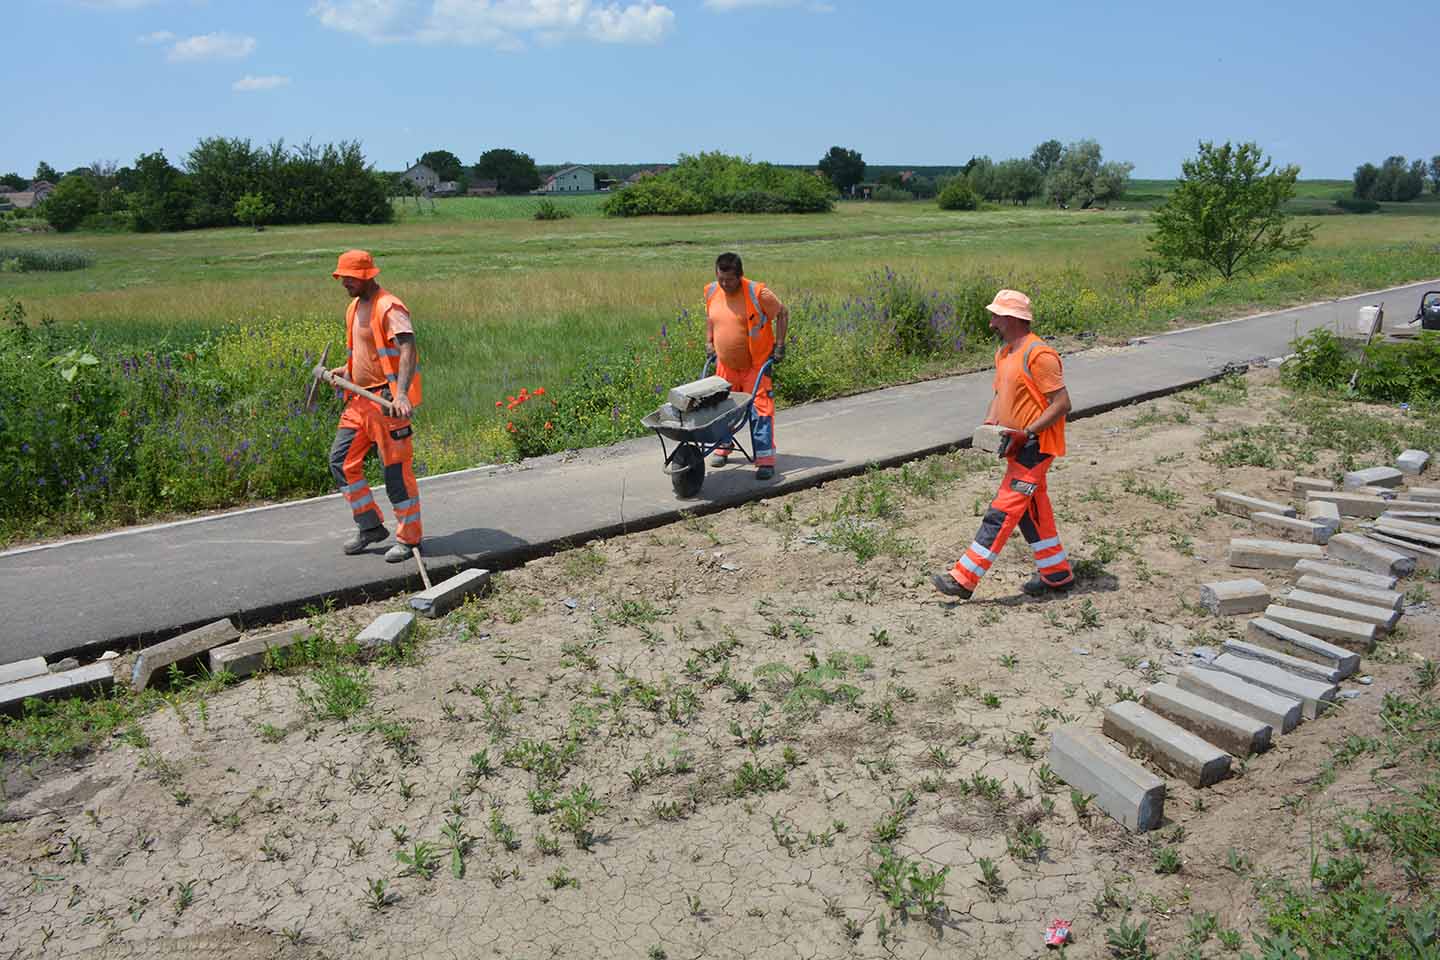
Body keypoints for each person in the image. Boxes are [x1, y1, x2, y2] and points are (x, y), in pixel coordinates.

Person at [933, 289, 1075, 600]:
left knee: (1002, 511)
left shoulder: (1040, 356)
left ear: (1011, 319)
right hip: (1017, 444)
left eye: (996, 316)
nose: (991, 322)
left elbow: (1062, 404)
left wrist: (1027, 432)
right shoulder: (1005, 354)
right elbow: (1000, 397)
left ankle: (964, 578)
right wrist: (988, 427)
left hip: (1036, 447)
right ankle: (1057, 573)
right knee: (1031, 509)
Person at [327, 249, 423, 563]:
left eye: (349, 278)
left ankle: (409, 539)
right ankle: (370, 527)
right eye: (342, 278)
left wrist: (402, 394)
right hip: (359, 401)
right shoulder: (354, 307)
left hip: (387, 403)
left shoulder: (390, 306)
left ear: (367, 275)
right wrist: (347, 371)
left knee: (395, 472)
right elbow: (364, 351)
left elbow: (407, 347)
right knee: (341, 462)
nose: (344, 283)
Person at [704, 252, 788, 481]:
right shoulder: (712, 291)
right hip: (726, 365)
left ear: (739, 276)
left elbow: (782, 313)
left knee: (760, 410)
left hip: (756, 364)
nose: (724, 284)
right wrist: (709, 341)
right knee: (722, 408)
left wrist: (779, 345)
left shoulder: (758, 293)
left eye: (729, 280)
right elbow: (711, 318)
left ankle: (765, 460)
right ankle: (723, 447)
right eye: (720, 278)